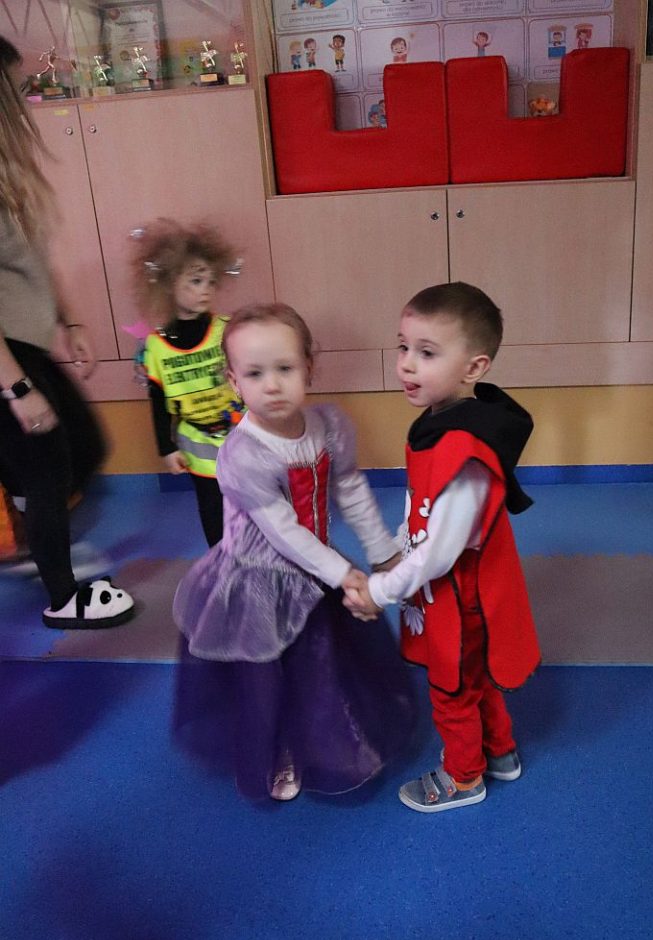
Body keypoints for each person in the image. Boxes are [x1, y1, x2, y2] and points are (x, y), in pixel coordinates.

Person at [172, 302, 416, 802]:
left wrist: (383, 552)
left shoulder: (329, 426)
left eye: (284, 368)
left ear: (309, 367)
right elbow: (283, 531)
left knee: (319, 664)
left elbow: (349, 489)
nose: (272, 385)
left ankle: (321, 743)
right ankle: (274, 749)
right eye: (254, 374)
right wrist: (342, 574)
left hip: (312, 568)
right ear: (234, 382)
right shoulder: (242, 454)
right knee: (266, 676)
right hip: (256, 579)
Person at [344, 282, 540, 812]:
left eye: (427, 353)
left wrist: (381, 590)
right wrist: (395, 551)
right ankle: (500, 752)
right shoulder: (437, 424)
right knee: (475, 677)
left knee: (452, 688)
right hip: (449, 593)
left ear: (474, 368)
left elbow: (439, 554)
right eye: (403, 346)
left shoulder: (465, 452)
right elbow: (422, 516)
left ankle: (464, 777)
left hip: (461, 600)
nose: (407, 364)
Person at [0, 36, 134, 629]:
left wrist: (69, 321)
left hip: (25, 343)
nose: (24, 97)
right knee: (47, 468)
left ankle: (34, 543)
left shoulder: (8, 174)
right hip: (6, 357)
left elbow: (34, 260)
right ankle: (62, 595)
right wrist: (17, 389)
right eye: (15, 88)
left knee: (82, 447)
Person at [131, 218, 244, 547]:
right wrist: (167, 449)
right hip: (198, 446)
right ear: (168, 284)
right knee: (211, 507)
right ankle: (221, 560)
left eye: (210, 281)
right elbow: (158, 402)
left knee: (254, 503)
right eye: (196, 281)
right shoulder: (156, 347)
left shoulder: (228, 330)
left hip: (242, 437)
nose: (206, 289)